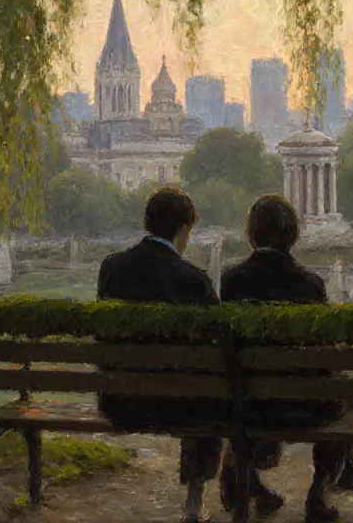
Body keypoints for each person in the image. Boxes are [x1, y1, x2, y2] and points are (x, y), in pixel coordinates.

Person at [217, 194, 353, 523]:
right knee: (342, 391)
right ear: (293, 235)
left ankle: (244, 483)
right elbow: (322, 350)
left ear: (251, 234)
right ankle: (320, 491)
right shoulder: (309, 284)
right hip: (305, 407)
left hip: (248, 404)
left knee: (336, 390)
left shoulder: (232, 281)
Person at [96, 186, 223, 523]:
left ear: (147, 224)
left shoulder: (112, 268)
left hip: (119, 401)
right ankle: (194, 498)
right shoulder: (192, 279)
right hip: (178, 406)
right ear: (183, 230)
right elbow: (216, 343)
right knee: (208, 391)